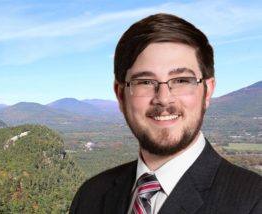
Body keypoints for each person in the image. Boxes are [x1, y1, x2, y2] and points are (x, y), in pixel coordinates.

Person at [70, 13, 262, 214]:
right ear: (120, 94)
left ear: (207, 91)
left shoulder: (254, 202)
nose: (163, 98)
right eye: (145, 82)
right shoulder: (90, 195)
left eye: (181, 80)